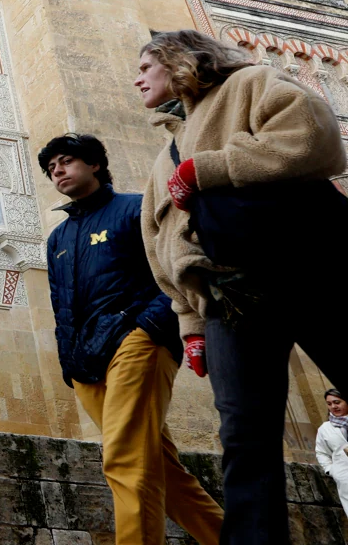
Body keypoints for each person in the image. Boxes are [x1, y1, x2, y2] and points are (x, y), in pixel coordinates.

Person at [137, 29, 348, 544]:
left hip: (306, 270)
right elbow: (163, 247)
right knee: (244, 438)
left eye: (146, 66)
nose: (138, 78)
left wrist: (208, 168)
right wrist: (190, 323)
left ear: (178, 61)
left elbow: (313, 138)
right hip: (229, 304)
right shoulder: (162, 157)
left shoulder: (251, 83)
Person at [39, 133, 223, 545]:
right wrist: (70, 364)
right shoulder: (58, 239)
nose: (59, 172)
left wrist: (149, 327)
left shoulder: (133, 209)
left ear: (95, 165)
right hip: (86, 366)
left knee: (124, 459)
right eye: (52, 169)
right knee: (160, 470)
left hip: (137, 344)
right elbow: (61, 307)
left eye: (67, 162)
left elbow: (175, 268)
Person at [316, 388, 348, 518]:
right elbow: (321, 453)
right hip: (345, 476)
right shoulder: (325, 429)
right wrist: (331, 470)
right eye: (329, 404)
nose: (333, 406)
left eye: (337, 402)